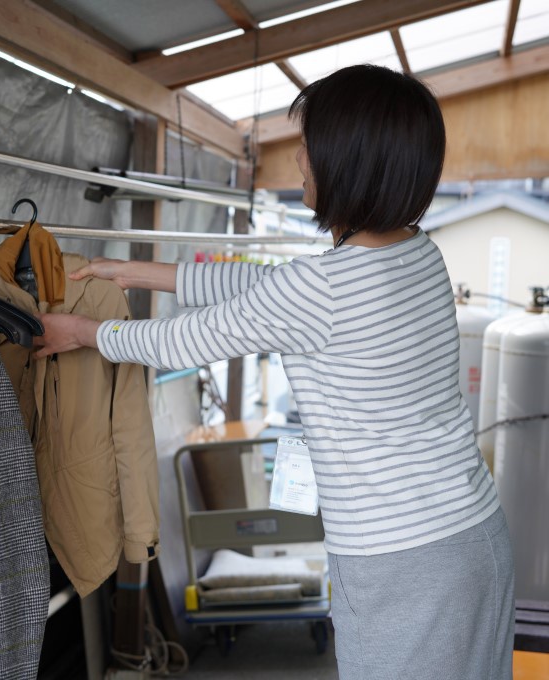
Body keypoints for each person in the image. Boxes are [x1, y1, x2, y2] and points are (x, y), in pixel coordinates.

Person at [35, 64, 514, 680]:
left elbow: (187, 339)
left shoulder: (323, 286)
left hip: (403, 561)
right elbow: (271, 290)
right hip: (473, 535)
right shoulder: (417, 252)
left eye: (308, 150)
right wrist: (135, 272)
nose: (300, 164)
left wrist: (80, 333)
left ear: (347, 162)